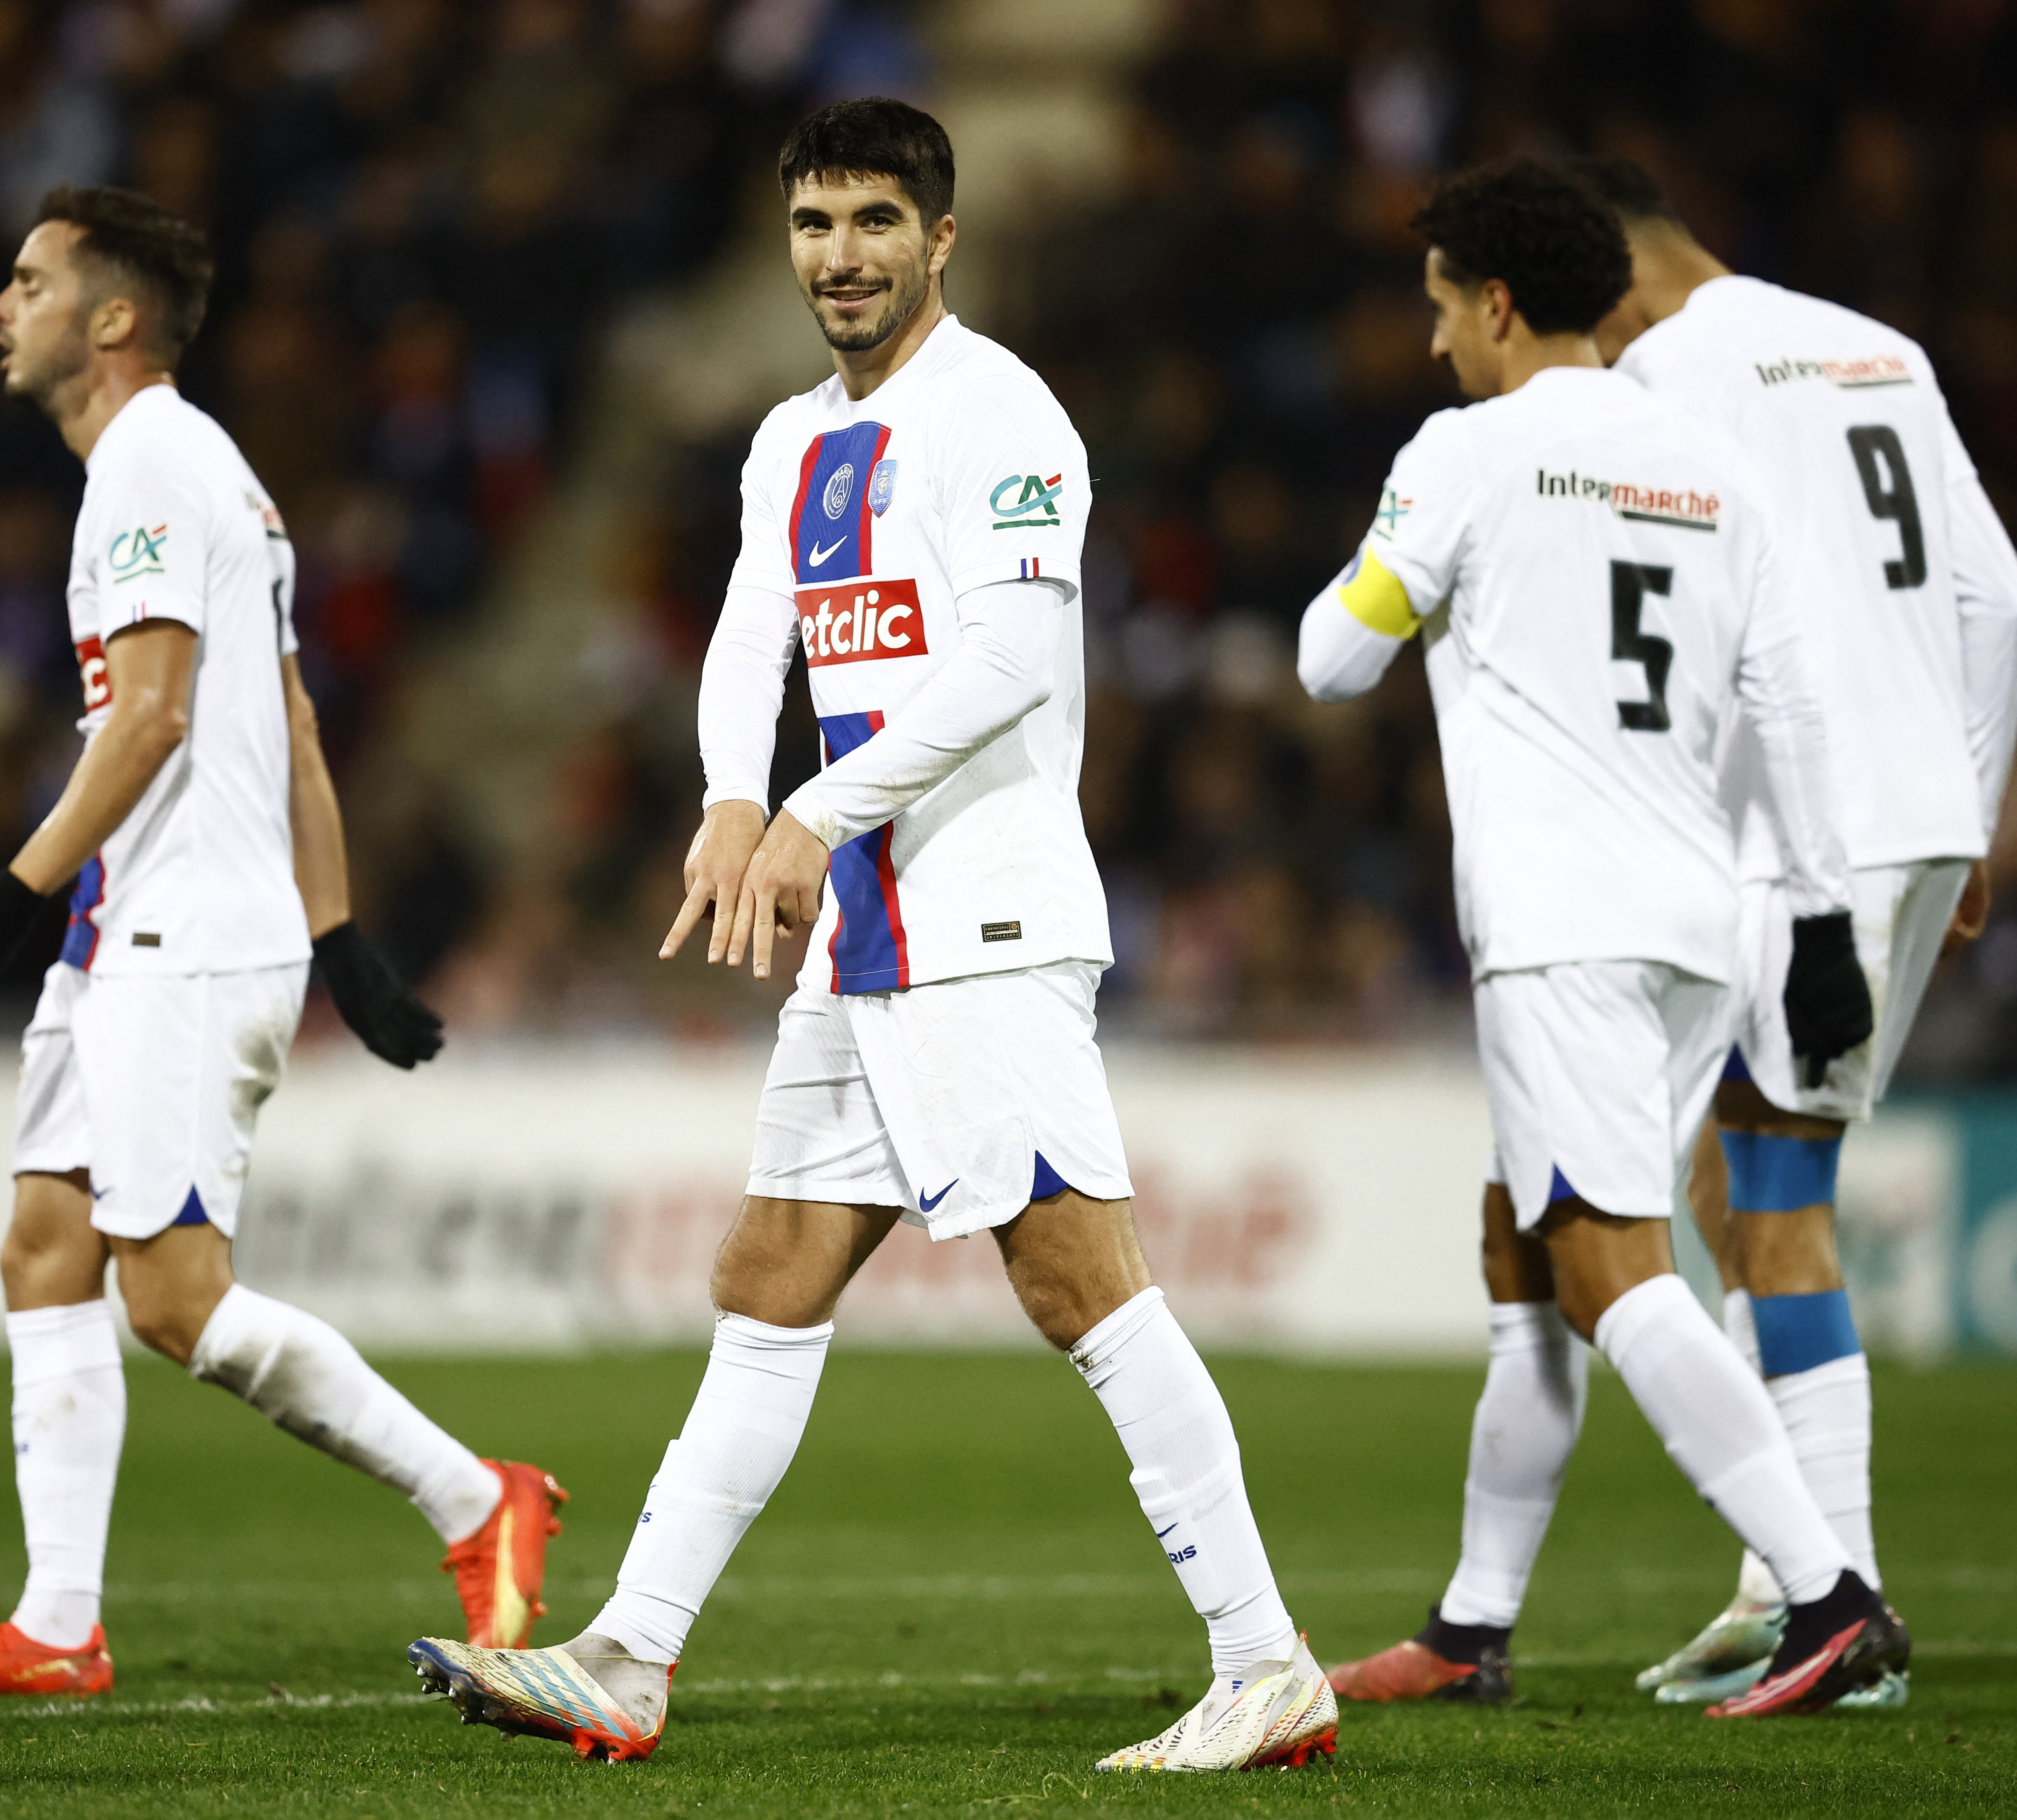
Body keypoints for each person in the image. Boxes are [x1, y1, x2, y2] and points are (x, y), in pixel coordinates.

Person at [402, 98, 1336, 1775]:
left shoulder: (1006, 415)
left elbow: (1012, 665)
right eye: (815, 223)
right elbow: (749, 632)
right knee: (772, 1269)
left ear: (942, 237)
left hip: (984, 908)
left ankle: (1267, 1664)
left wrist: (814, 812)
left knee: (1078, 1277)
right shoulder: (788, 439)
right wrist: (725, 794)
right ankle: (628, 1654)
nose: (841, 256)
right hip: (869, 933)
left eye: (877, 222)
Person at [0, 187, 563, 1699]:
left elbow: (155, 715)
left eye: (31, 280)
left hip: (179, 932)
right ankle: (60, 1623)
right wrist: (342, 931)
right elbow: (291, 722)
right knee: (46, 1244)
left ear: (113, 318)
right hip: (139, 928)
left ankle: (476, 1496)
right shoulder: (216, 472)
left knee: (175, 1298)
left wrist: (6, 892)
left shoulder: (147, 464)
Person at [1297, 160, 1903, 1719]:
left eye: (1443, 307)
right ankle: (1472, 1624)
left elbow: (1331, 659)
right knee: (1526, 1240)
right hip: (1700, 920)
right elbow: (1792, 703)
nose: (1436, 340)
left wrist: (1396, 575)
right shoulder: (1713, 465)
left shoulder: (1465, 453)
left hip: (1559, 920)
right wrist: (1821, 920)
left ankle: (1828, 1591)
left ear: (1498, 303)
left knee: (1604, 1262)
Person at [1574, 154, 2017, 1708]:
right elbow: (2002, 603)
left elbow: (1713, 626)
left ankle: (1845, 1607)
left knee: (1776, 1192)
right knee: (1732, 1176)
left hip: (1800, 838)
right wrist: (1969, 808)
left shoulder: (1664, 375)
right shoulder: (1878, 349)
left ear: (1616, 276)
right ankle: (1784, 1581)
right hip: (1917, 815)